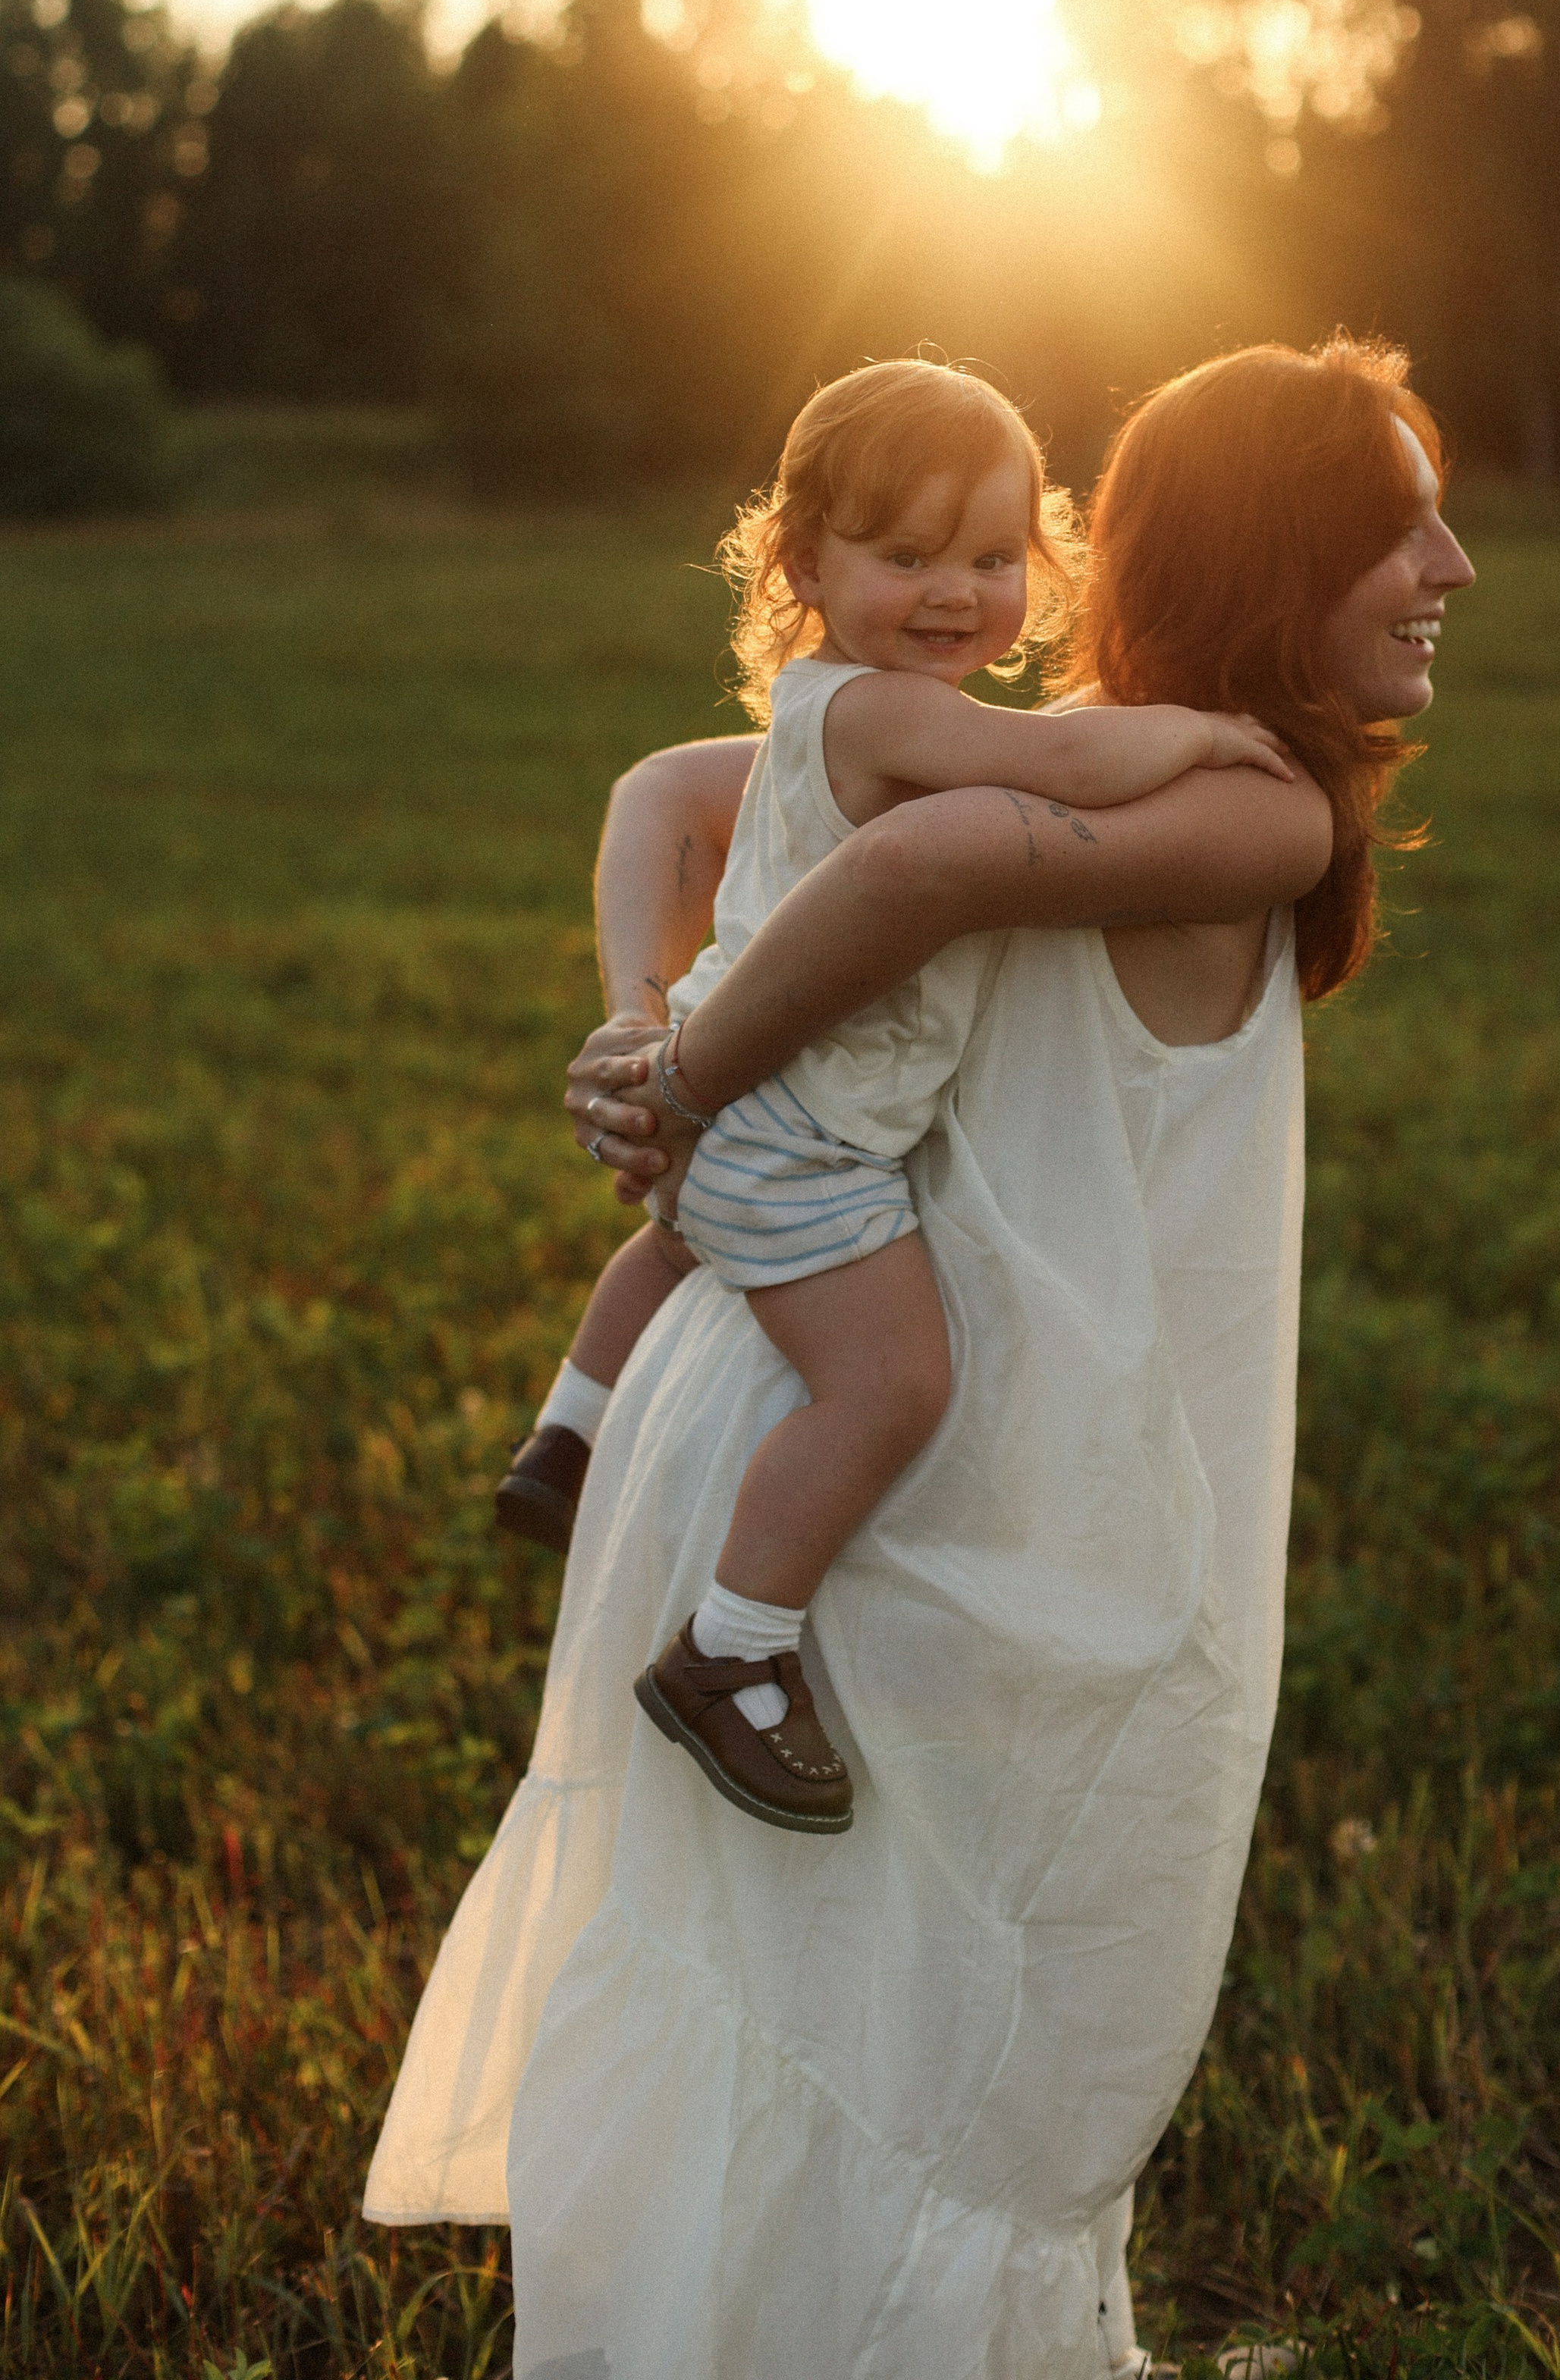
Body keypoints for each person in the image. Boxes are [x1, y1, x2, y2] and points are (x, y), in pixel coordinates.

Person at [364, 336, 1474, 2380]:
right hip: (906, 1502)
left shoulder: (1068, 753)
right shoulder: (1242, 813)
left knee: (910, 2063)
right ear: (1275, 549)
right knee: (943, 2074)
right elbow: (912, 861)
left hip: (859, 1446)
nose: (1453, 563)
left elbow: (683, 795)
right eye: (1399, 520)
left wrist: (658, 1034)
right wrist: (669, 1056)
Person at [494, 358, 1292, 1836]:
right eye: (905, 554)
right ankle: (732, 1651)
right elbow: (1049, 758)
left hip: (743, 1122)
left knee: (675, 1238)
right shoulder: (876, 718)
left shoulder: (844, 712)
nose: (952, 593)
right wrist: (1194, 735)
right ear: (804, 563)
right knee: (894, 1382)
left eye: (990, 559)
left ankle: (572, 1426)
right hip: (794, 1140)